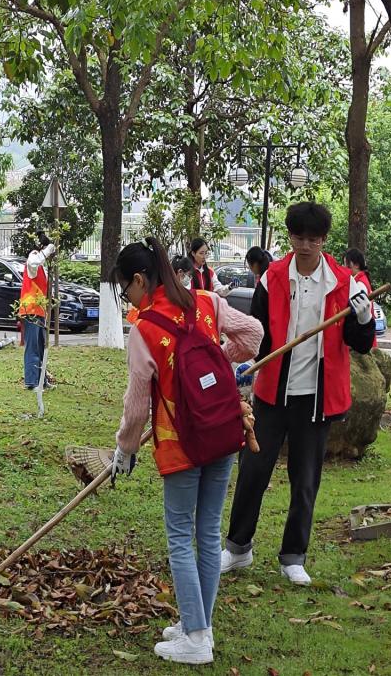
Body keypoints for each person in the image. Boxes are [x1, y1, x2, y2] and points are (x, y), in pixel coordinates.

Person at [110, 238, 262, 665]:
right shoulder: (207, 301)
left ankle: (195, 638)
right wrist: (222, 361)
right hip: (224, 430)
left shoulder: (144, 327)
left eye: (126, 290)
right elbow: (254, 335)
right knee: (208, 533)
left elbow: (137, 406)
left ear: (140, 280)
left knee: (180, 536)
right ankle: (200, 625)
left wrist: (124, 449)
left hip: (181, 445)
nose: (128, 299)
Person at [222, 202, 375, 587]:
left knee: (305, 478)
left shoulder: (343, 283)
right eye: (298, 237)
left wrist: (362, 318)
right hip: (273, 392)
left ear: (323, 240)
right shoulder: (272, 278)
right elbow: (256, 332)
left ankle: (294, 555)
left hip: (317, 397)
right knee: (253, 469)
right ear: (289, 236)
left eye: (313, 239)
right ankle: (238, 546)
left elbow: (360, 344)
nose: (305, 245)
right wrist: (241, 360)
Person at [19, 232, 56, 390]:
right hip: (31, 311)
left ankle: (42, 380)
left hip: (40, 311)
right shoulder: (34, 257)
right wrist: (48, 250)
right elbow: (35, 262)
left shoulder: (42, 268)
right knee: (33, 347)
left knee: (41, 347)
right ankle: (32, 382)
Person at [343, 248, 377, 347]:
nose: (344, 267)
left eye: (347, 264)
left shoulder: (359, 284)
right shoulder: (362, 279)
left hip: (362, 333)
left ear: (356, 265)